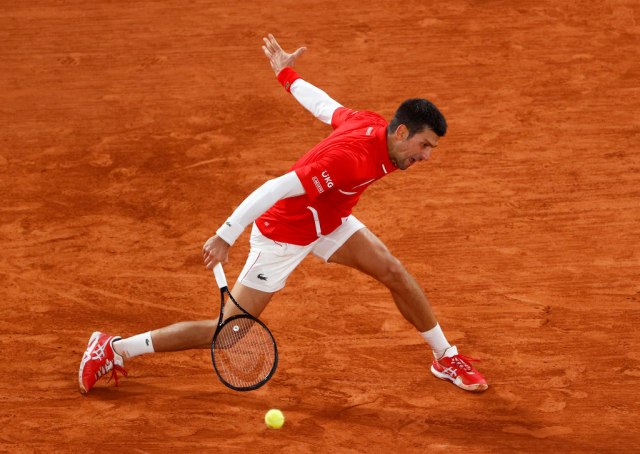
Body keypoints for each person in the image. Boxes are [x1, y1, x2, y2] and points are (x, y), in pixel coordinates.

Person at [79, 34, 488, 394]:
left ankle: (445, 356)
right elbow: (276, 187)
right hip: (284, 233)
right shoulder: (347, 161)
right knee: (228, 333)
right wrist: (226, 234)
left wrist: (286, 74)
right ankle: (115, 348)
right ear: (401, 133)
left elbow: (326, 107)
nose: (426, 156)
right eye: (424, 146)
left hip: (330, 221)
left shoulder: (371, 124)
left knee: (393, 271)